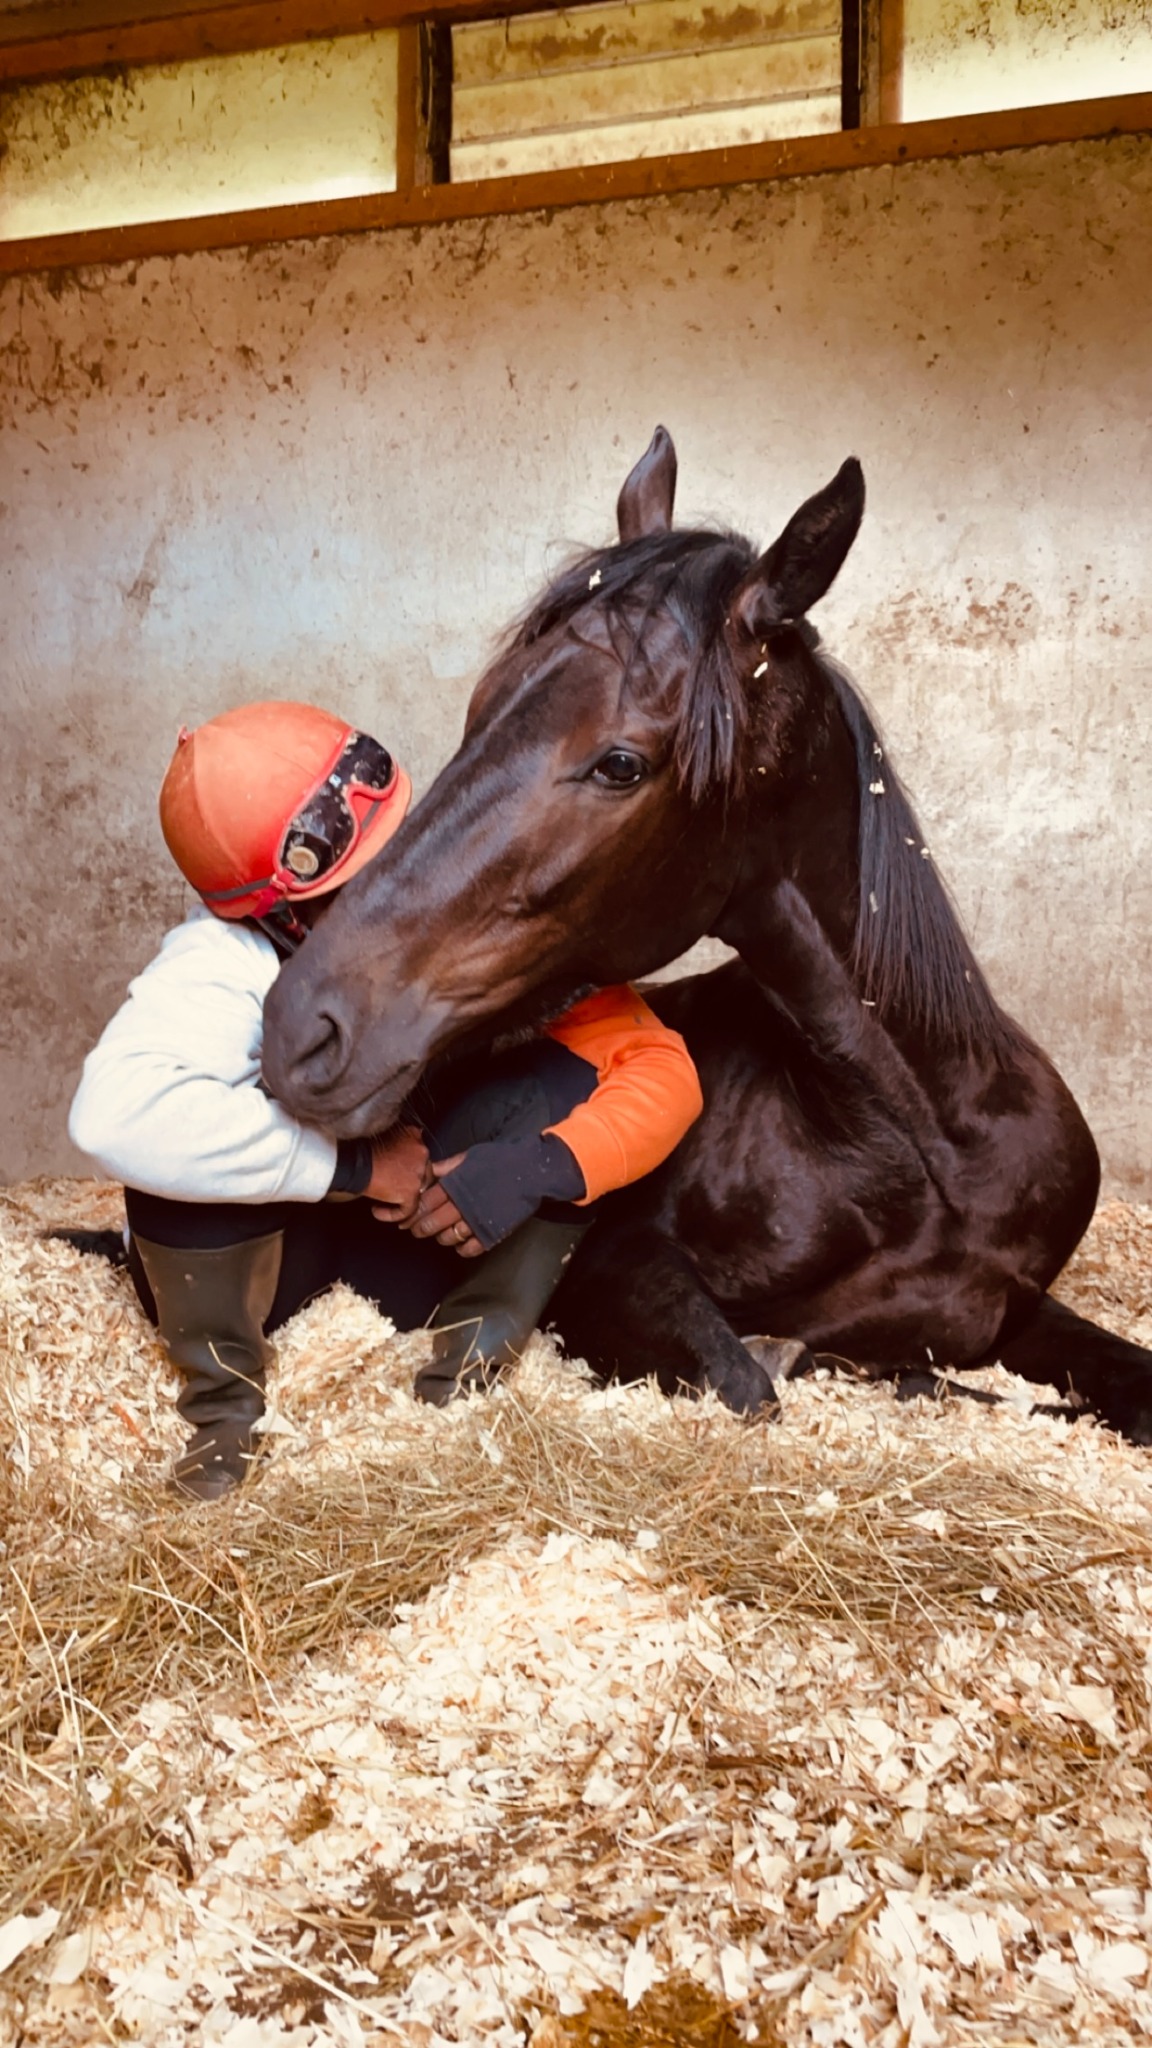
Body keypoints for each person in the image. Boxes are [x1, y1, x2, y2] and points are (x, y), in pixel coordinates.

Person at [69, 701, 703, 1503]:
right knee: (174, 1155)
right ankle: (224, 1412)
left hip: (406, 1245)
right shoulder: (220, 961)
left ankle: (459, 1386)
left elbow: (657, 1067)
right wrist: (356, 1167)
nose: (395, 886)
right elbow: (111, 1116)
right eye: (356, 880)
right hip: (264, 1277)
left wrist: (537, 1167)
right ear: (282, 911)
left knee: (565, 1084)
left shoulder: (463, 909)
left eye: (398, 845)